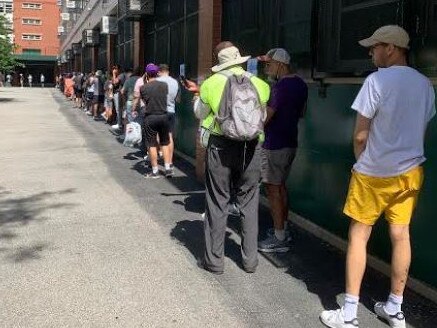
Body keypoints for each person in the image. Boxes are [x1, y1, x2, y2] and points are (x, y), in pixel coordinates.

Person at [320, 25, 435, 328]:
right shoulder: (425, 85)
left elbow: (360, 135)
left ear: (392, 48)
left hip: (373, 173)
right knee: (401, 235)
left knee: (359, 235)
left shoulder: (376, 81)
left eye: (375, 47)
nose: (371, 52)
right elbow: (420, 130)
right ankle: (395, 310)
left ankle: (348, 314)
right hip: (410, 172)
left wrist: (362, 161)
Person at [185, 42, 270, 274]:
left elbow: (200, 114)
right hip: (251, 148)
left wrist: (197, 100)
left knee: (217, 201)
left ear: (220, 63)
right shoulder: (260, 84)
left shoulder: (211, 84)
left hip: (221, 147)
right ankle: (250, 261)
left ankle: (214, 261)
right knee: (249, 203)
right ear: (240, 59)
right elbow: (261, 116)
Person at [256, 48, 308, 253]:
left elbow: (266, 118)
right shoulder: (301, 85)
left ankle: (279, 238)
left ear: (280, 64)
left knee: (272, 189)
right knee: (280, 187)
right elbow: (302, 112)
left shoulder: (280, 87)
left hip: (273, 145)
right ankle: (282, 230)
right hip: (290, 142)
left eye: (269, 64)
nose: (266, 67)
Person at [136, 63, 173, 178]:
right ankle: (168, 169)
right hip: (163, 116)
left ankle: (155, 171)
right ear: (157, 73)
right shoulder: (164, 85)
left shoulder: (143, 88)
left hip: (150, 117)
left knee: (151, 144)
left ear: (146, 74)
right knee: (165, 143)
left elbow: (144, 102)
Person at [157, 64, 180, 168]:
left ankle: (161, 153)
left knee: (159, 135)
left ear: (159, 71)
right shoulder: (175, 82)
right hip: (171, 110)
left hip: (160, 111)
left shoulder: (157, 81)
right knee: (169, 136)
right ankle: (170, 161)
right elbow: (178, 99)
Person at [111, 64, 126, 132]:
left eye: (115, 69)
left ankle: (119, 124)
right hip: (119, 93)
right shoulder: (120, 75)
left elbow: (115, 83)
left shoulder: (121, 75)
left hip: (119, 93)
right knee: (119, 109)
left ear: (118, 69)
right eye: (113, 68)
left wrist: (113, 74)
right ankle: (120, 122)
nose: (114, 70)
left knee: (118, 109)